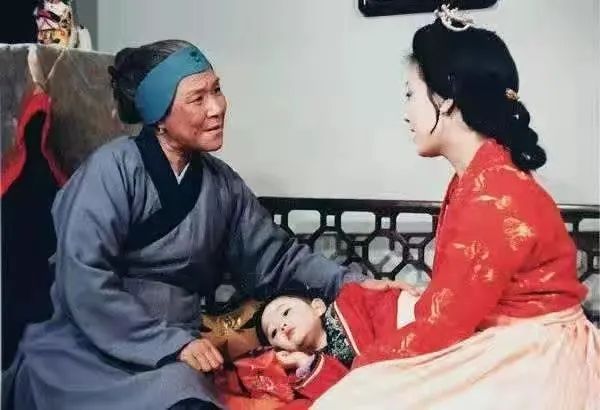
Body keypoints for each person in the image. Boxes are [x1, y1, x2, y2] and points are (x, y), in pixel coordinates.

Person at [2, 40, 412, 410]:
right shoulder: (110, 171)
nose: (216, 107)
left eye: (217, 90)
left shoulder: (222, 185)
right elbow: (82, 278)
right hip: (88, 344)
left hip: (175, 350)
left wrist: (351, 283)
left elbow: (277, 259)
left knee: (184, 399)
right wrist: (169, 343)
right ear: (158, 116)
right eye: (198, 98)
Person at [311, 7, 600, 410]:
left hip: (535, 353)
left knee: (353, 398)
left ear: (445, 98)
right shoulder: (482, 174)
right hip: (514, 334)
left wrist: (363, 366)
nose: (406, 113)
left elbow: (443, 325)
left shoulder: (494, 194)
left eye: (410, 94)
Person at [255, 283, 421, 402]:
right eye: (273, 332)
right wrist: (303, 362)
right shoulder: (301, 377)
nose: (281, 326)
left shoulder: (350, 302)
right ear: (280, 350)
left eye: (285, 312)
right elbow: (342, 400)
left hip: (412, 355)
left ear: (317, 307)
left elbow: (390, 305)